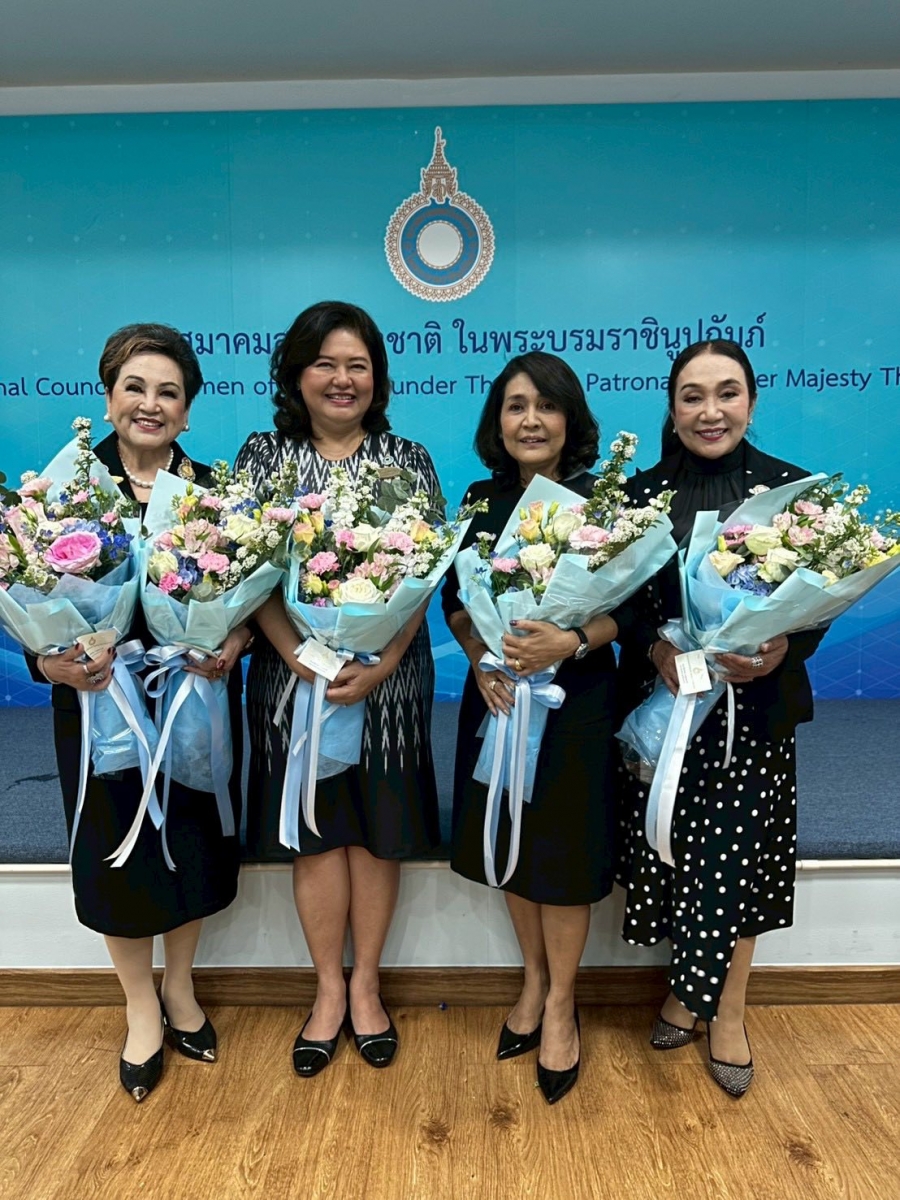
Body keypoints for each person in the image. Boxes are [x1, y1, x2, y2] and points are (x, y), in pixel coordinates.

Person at [29, 324, 250, 1101]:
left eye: (168, 392)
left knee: (188, 838)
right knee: (114, 846)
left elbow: (251, 604)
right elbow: (29, 600)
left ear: (187, 411)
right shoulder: (62, 494)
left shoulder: (215, 494)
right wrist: (47, 661)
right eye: (135, 387)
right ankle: (138, 1007)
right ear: (108, 398)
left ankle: (181, 987)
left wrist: (234, 642)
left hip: (192, 696)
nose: (150, 404)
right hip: (100, 703)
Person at [234, 300, 441, 1076]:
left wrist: (384, 661)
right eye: (325, 363)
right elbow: (247, 571)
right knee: (317, 831)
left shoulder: (407, 459)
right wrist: (299, 656)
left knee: (377, 830)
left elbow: (423, 577)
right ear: (297, 374)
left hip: (390, 682)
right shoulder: (263, 457)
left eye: (358, 365)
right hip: (292, 681)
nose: (342, 378)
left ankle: (367, 986)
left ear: (377, 378)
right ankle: (327, 988)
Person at [615, 339, 825, 1098]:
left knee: (738, 863)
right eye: (693, 396)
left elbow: (815, 604)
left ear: (751, 402)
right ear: (672, 409)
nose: (711, 411)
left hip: (755, 712)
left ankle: (727, 1010)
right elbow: (619, 604)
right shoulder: (639, 497)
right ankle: (684, 990)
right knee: (672, 854)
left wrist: (784, 646)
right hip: (664, 712)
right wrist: (656, 648)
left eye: (727, 393)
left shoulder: (792, 492)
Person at [442, 352, 619, 1105]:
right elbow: (454, 601)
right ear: (498, 421)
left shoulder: (606, 506)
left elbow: (634, 611)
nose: (531, 420)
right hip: (498, 699)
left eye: (546, 406)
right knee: (511, 839)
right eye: (516, 406)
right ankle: (534, 980)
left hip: (574, 702)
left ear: (570, 419)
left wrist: (570, 642)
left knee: (564, 855)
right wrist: (480, 658)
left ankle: (562, 1004)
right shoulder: (479, 501)